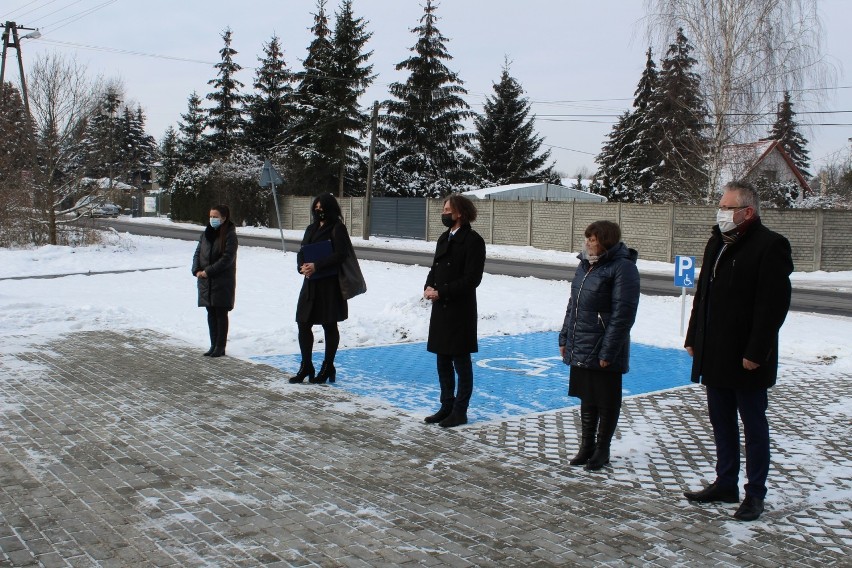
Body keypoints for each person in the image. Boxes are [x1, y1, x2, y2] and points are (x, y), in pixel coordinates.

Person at [683, 180, 793, 522]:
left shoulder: (770, 245)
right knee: (721, 422)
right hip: (715, 352)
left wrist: (756, 351)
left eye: (727, 208)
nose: (722, 213)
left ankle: (755, 494)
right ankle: (725, 482)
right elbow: (703, 295)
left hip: (747, 357)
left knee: (753, 426)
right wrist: (693, 337)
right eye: (721, 207)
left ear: (748, 211)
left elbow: (772, 306)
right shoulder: (717, 241)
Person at [558, 220, 640, 471]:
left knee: (606, 398)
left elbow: (623, 313)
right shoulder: (585, 266)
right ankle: (586, 446)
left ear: (606, 241)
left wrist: (608, 351)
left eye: (593, 239)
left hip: (604, 345)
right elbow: (574, 305)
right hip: (582, 341)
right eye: (587, 238)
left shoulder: (622, 268)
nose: (588, 243)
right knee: (587, 395)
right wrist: (565, 337)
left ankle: (602, 449)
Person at [423, 194, 486, 428]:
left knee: (460, 361)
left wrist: (443, 292)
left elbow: (472, 279)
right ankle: (446, 406)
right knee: (442, 360)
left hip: (460, 309)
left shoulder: (473, 240)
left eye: (448, 209)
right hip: (441, 308)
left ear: (460, 212)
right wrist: (429, 286)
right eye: (444, 209)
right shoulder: (443, 238)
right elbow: (435, 267)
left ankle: (460, 410)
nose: (444, 212)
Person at [289, 193, 353, 385]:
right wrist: (302, 267)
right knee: (303, 323)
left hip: (329, 285)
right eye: (315, 207)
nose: (318, 211)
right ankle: (306, 365)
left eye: (322, 207)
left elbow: (342, 254)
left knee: (329, 324)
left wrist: (317, 265)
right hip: (310, 284)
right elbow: (302, 251)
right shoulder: (311, 228)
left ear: (330, 209)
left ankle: (328, 366)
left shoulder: (338, 228)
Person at [192, 204, 238, 358]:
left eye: (215, 217)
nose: (212, 219)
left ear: (223, 218)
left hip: (221, 281)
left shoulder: (230, 235)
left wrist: (208, 271)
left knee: (220, 313)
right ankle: (213, 344)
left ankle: (220, 346)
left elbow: (227, 258)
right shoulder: (206, 234)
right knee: (210, 312)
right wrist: (197, 270)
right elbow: (198, 252)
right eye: (211, 216)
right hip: (205, 281)